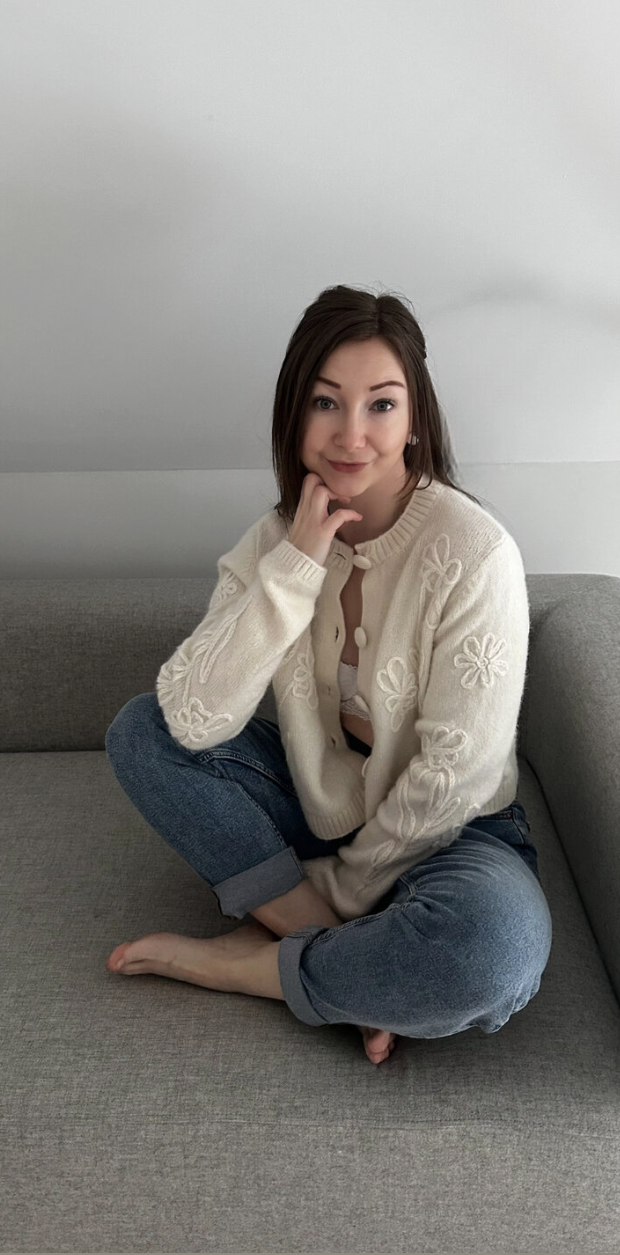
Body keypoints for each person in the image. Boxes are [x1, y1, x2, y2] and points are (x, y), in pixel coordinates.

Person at [104, 285, 553, 1065]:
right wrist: (296, 567)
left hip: (454, 831)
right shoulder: (275, 538)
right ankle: (342, 960)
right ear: (295, 414)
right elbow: (193, 719)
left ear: (415, 419)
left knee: (493, 952)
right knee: (141, 733)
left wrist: (339, 894)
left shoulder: (476, 552)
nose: (351, 434)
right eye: (325, 402)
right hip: (317, 800)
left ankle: (259, 966)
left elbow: (457, 773)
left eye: (381, 404)